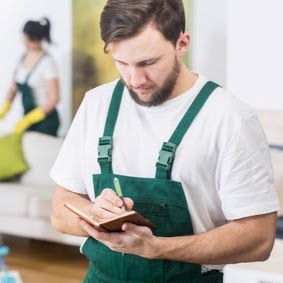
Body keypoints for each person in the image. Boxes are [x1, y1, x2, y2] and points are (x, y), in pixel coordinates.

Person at [50, 0, 280, 282]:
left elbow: (259, 238)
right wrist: (93, 214)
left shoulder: (230, 118)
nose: (135, 79)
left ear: (181, 44)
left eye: (148, 63)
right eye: (122, 63)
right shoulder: (96, 103)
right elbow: (59, 209)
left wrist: (155, 248)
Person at [0, 17, 60, 136]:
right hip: (28, 117)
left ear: (39, 40)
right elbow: (14, 87)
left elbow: (55, 99)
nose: (27, 43)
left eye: (31, 41)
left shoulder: (47, 63)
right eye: (25, 39)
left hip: (45, 121)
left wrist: (29, 119)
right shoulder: (22, 58)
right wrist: (5, 109)